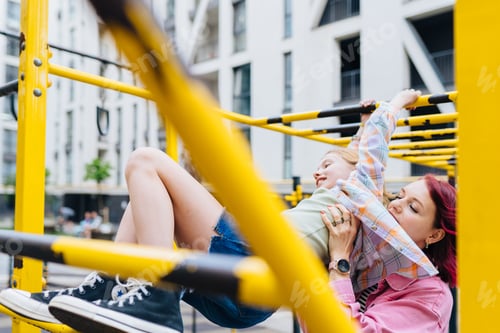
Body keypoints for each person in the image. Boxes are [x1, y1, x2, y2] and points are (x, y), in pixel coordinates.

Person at [0, 89, 435, 333]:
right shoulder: (348, 220)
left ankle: (157, 297)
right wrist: (362, 129)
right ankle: (106, 286)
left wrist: (392, 107)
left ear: (356, 172)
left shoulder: (360, 196)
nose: (319, 171)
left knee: (145, 161)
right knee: (145, 192)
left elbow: (370, 152)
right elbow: (362, 149)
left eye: (329, 164)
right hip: (239, 294)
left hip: (249, 257)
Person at [299, 174, 456, 332]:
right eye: (399, 196)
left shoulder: (432, 295)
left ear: (434, 235)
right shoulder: (371, 256)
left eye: (413, 207)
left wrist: (340, 262)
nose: (395, 204)